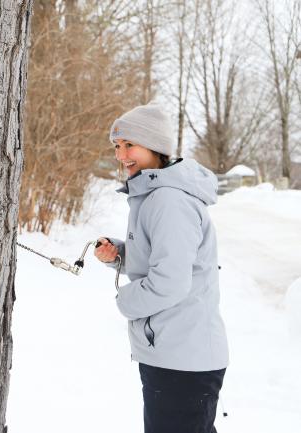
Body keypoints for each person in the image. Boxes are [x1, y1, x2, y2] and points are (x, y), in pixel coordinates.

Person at [94, 103, 229, 433]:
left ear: (155, 147)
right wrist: (119, 256)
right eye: (117, 146)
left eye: (130, 145)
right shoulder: (155, 194)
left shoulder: (168, 200)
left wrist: (124, 301)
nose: (121, 154)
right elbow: (163, 260)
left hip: (182, 355)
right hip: (171, 351)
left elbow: (170, 281)